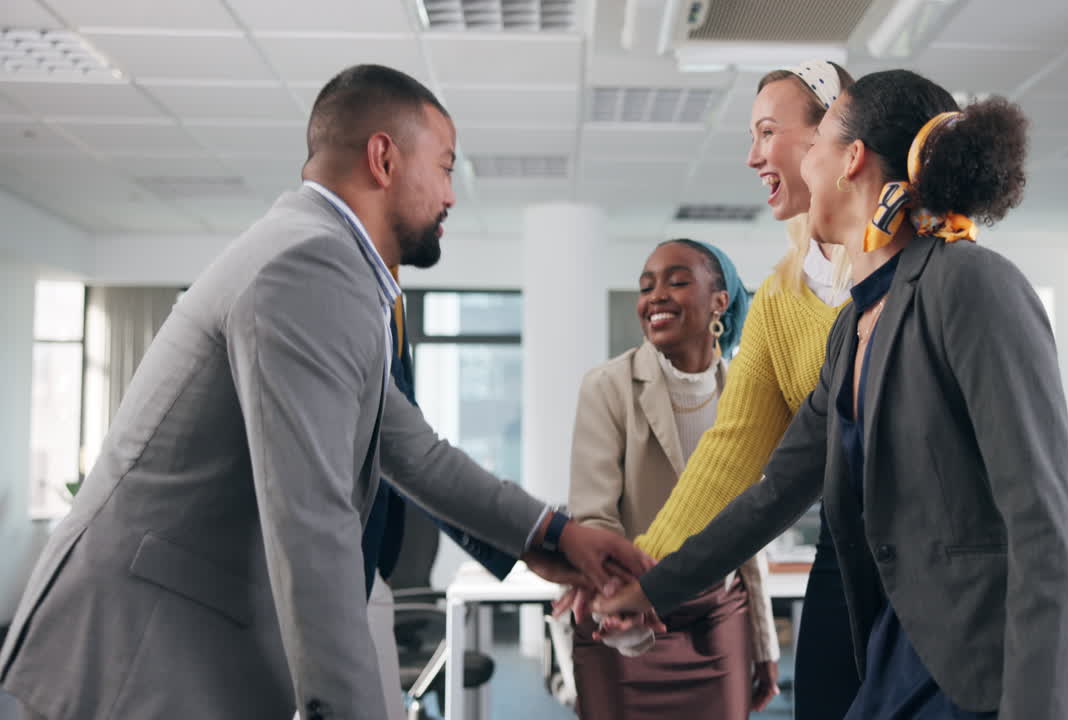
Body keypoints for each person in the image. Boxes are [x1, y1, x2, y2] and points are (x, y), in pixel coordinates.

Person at [0, 64, 649, 720]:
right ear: (384, 157)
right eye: (446, 167)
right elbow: (313, 521)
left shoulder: (320, 260)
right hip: (138, 651)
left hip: (162, 639)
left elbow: (413, 452)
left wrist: (555, 536)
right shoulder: (308, 267)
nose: (453, 195)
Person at [598, 69, 1068, 720]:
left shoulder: (971, 284)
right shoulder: (854, 325)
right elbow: (775, 491)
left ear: (851, 160)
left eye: (818, 141)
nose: (804, 158)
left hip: (1008, 669)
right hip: (903, 649)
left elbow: (1047, 524)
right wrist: (654, 587)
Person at [623, 59, 861, 719]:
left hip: (945, 568)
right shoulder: (780, 299)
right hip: (848, 561)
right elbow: (731, 454)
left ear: (832, 136)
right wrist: (642, 571)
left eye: (765, 132)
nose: (752, 154)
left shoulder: (915, 259)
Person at [566, 239, 779, 718]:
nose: (656, 296)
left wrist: (765, 643)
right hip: (624, 611)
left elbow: (748, 533)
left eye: (677, 281)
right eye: (646, 287)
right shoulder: (608, 387)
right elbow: (595, 518)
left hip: (717, 617)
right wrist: (624, 609)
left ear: (719, 302)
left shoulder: (746, 394)